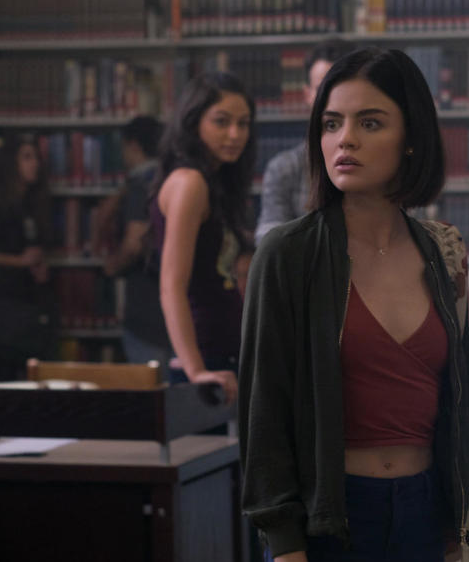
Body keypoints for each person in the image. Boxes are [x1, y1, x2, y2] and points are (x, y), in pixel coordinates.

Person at [238, 48, 469, 562]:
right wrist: (285, 548)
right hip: (330, 520)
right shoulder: (288, 254)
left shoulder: (445, 250)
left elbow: (461, 405)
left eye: (370, 122)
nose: (346, 140)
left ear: (411, 139)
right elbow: (262, 414)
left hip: (422, 513)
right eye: (332, 123)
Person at [150, 72, 257, 403]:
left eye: (244, 123)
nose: (235, 134)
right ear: (194, 121)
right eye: (222, 122)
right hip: (204, 361)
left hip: (225, 356)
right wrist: (197, 371)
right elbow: (172, 285)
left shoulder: (216, 183)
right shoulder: (189, 182)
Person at [254, 37, 356, 245]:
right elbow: (269, 242)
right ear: (307, 95)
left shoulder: (378, 162)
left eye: (341, 87)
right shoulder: (283, 169)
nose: (333, 99)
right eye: (323, 89)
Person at [0, 135, 51, 382]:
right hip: (0, 314)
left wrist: (37, 267)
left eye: (36, 157)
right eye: (27, 157)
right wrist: (20, 262)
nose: (34, 163)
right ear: (9, 164)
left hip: (25, 311)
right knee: (4, 386)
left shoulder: (28, 206)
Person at [98, 115, 173, 370]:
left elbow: (134, 243)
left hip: (146, 316)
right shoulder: (175, 180)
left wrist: (112, 266)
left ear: (132, 145)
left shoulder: (141, 186)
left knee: (153, 399)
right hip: (175, 310)